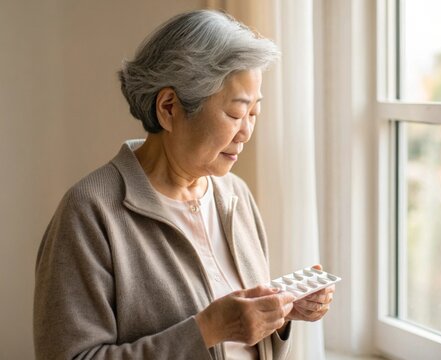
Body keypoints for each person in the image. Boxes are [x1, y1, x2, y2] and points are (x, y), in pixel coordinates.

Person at [33, 9, 335, 360]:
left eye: (255, 113)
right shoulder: (89, 212)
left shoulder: (235, 195)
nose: (247, 132)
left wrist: (280, 313)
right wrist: (207, 330)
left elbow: (242, 344)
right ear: (168, 107)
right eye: (236, 114)